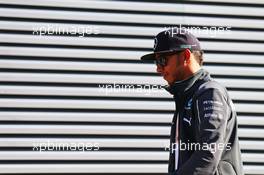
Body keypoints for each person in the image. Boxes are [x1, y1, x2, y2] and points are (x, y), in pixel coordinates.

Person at [140, 27, 244, 175]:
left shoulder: (210, 92)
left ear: (185, 56)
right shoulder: (187, 96)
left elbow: (207, 154)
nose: (158, 69)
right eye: (156, 62)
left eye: (162, 60)